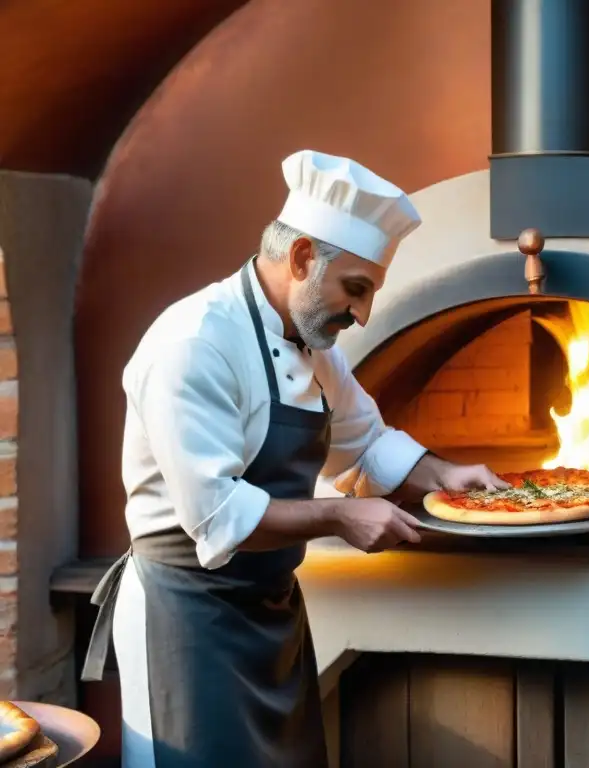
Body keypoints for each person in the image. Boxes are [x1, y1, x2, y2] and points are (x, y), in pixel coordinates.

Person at [82, 150, 509, 767]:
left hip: (272, 610)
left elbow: (367, 442)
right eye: (355, 290)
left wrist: (444, 474)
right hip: (187, 615)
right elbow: (218, 515)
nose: (362, 315)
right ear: (304, 257)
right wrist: (339, 517)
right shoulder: (195, 342)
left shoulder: (314, 343)